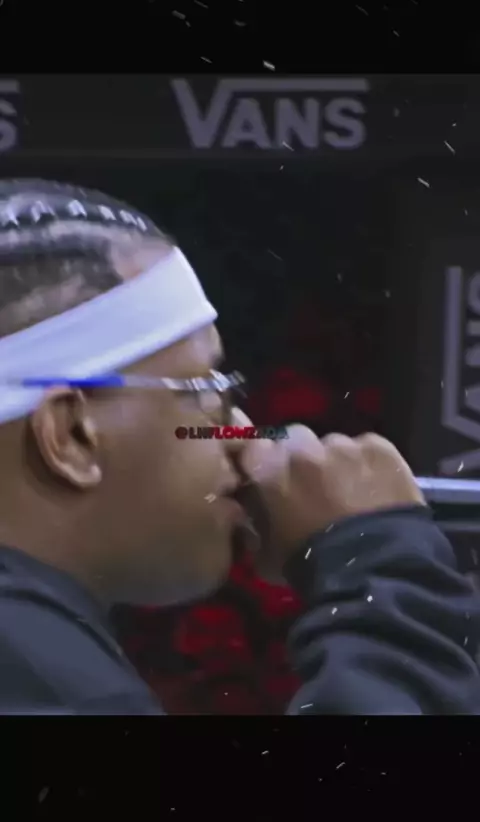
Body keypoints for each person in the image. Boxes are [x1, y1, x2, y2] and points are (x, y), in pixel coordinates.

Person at [0, 178, 479, 715]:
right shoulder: (45, 683)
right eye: (205, 390)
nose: (243, 432)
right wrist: (385, 569)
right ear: (70, 435)